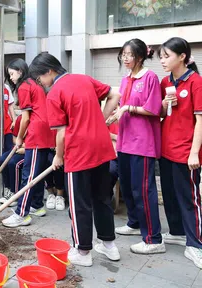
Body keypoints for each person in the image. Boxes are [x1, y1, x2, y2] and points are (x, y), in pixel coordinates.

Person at [30, 52, 121, 267]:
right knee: (101, 197)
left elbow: (60, 133)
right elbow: (115, 95)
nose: (41, 83)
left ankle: (83, 251)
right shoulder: (84, 78)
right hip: (101, 147)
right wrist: (102, 119)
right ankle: (110, 246)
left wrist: (58, 158)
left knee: (79, 202)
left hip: (79, 152)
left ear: (49, 72)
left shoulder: (54, 94)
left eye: (40, 78)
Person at [108, 39, 165, 254]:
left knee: (143, 190)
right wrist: (113, 115)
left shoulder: (150, 77)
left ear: (140, 56)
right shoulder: (125, 79)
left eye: (129, 54)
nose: (125, 58)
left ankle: (153, 239)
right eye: (123, 54)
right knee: (130, 187)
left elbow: (153, 110)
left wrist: (128, 109)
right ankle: (134, 223)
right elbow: (122, 106)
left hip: (142, 143)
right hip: (124, 141)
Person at [158, 37, 202, 269]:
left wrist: (194, 152)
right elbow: (162, 114)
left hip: (186, 152)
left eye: (167, 56)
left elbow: (200, 120)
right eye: (161, 57)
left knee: (190, 199)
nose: (163, 61)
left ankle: (196, 244)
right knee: (170, 195)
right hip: (166, 149)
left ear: (182, 56)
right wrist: (165, 102)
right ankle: (176, 232)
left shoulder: (196, 82)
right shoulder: (166, 81)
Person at [1, 58, 55, 228]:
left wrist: (19, 138)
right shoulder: (36, 83)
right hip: (46, 132)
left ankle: (21, 213)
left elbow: (25, 118)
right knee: (36, 172)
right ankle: (37, 205)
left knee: (29, 174)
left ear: (21, 71)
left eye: (12, 74)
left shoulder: (24, 86)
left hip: (37, 133)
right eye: (9, 75)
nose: (11, 78)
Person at [0, 114, 23, 206]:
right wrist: (20, 145)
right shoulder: (20, 118)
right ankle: (8, 188)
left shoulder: (35, 119)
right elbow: (14, 137)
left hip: (29, 150)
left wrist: (24, 148)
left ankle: (15, 193)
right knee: (2, 160)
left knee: (13, 163)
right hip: (18, 147)